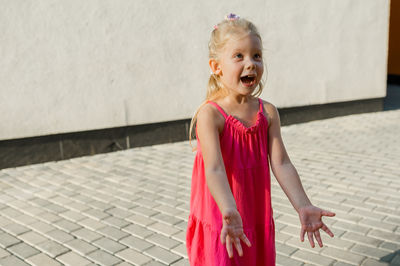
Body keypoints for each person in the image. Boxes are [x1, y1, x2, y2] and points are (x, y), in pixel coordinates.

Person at [186, 13, 336, 266]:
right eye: (238, 56)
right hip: (223, 215)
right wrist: (228, 209)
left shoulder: (267, 113)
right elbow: (214, 168)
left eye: (257, 55)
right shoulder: (210, 115)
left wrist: (303, 205)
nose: (251, 63)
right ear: (216, 67)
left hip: (254, 215)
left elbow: (282, 163)